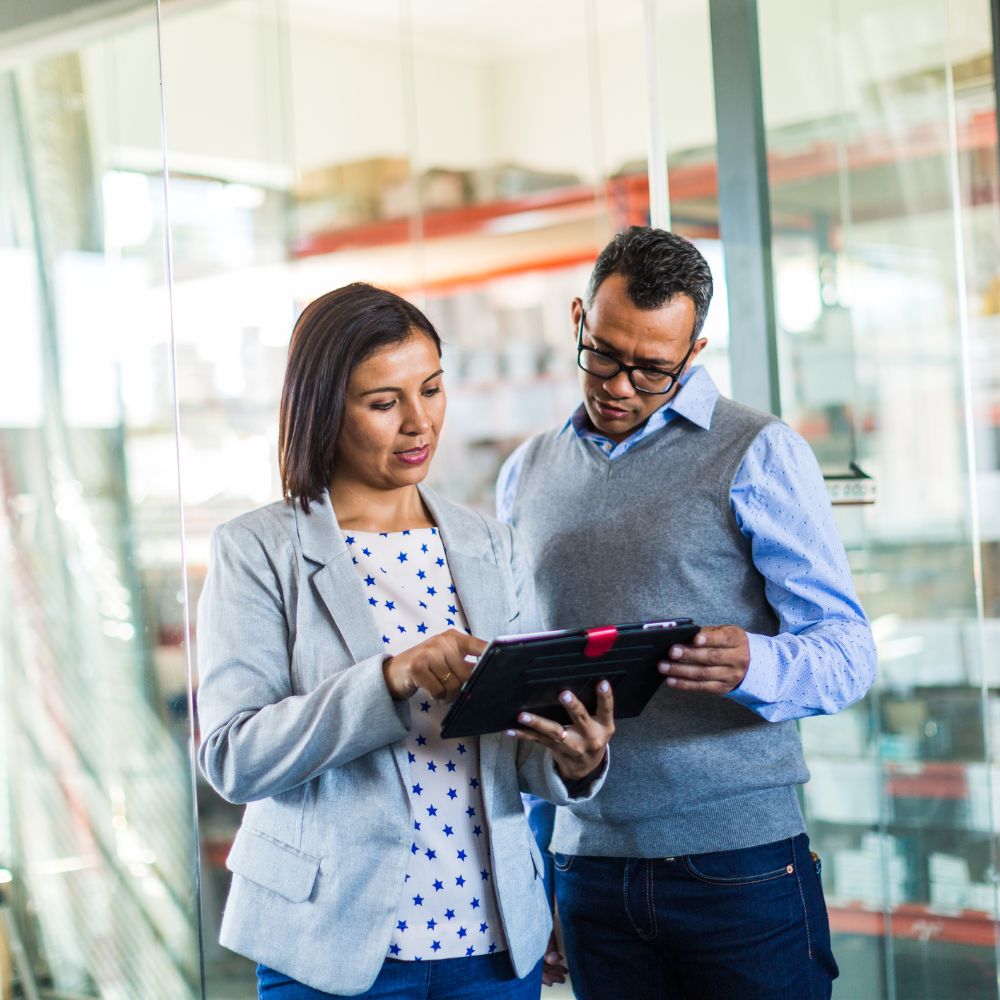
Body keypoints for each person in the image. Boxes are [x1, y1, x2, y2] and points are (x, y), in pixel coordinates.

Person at [196, 283, 614, 1000]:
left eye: (431, 390)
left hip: (490, 941)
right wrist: (388, 678)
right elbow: (234, 757)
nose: (419, 423)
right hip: (332, 944)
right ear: (326, 410)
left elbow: (515, 753)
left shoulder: (492, 544)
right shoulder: (257, 550)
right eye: (384, 403)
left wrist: (573, 762)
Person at [497, 227, 877, 1000]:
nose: (620, 385)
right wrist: (538, 865)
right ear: (579, 318)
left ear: (694, 351)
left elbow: (849, 651)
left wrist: (757, 663)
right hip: (586, 868)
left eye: (653, 368)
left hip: (739, 869)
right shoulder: (526, 472)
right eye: (602, 353)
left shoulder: (757, 452)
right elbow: (529, 687)